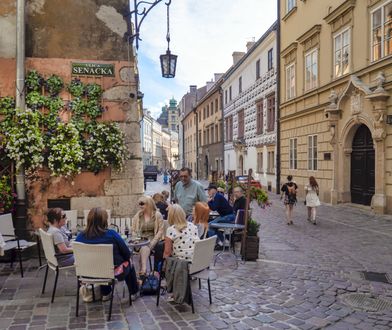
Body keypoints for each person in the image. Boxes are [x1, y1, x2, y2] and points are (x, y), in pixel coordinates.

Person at [75, 208, 139, 300]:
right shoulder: (111, 234)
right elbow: (126, 253)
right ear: (104, 220)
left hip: (88, 273)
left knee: (100, 264)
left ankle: (106, 293)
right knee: (129, 262)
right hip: (112, 273)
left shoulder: (80, 236)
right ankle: (134, 293)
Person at [131, 196, 164, 276]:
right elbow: (134, 230)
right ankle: (144, 269)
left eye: (142, 204)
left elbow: (160, 231)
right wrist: (136, 239)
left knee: (145, 247)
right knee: (144, 247)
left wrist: (153, 242)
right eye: (139, 204)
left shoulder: (157, 215)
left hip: (153, 240)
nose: (140, 206)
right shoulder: (138, 215)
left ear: (149, 204)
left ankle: (143, 270)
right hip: (140, 241)